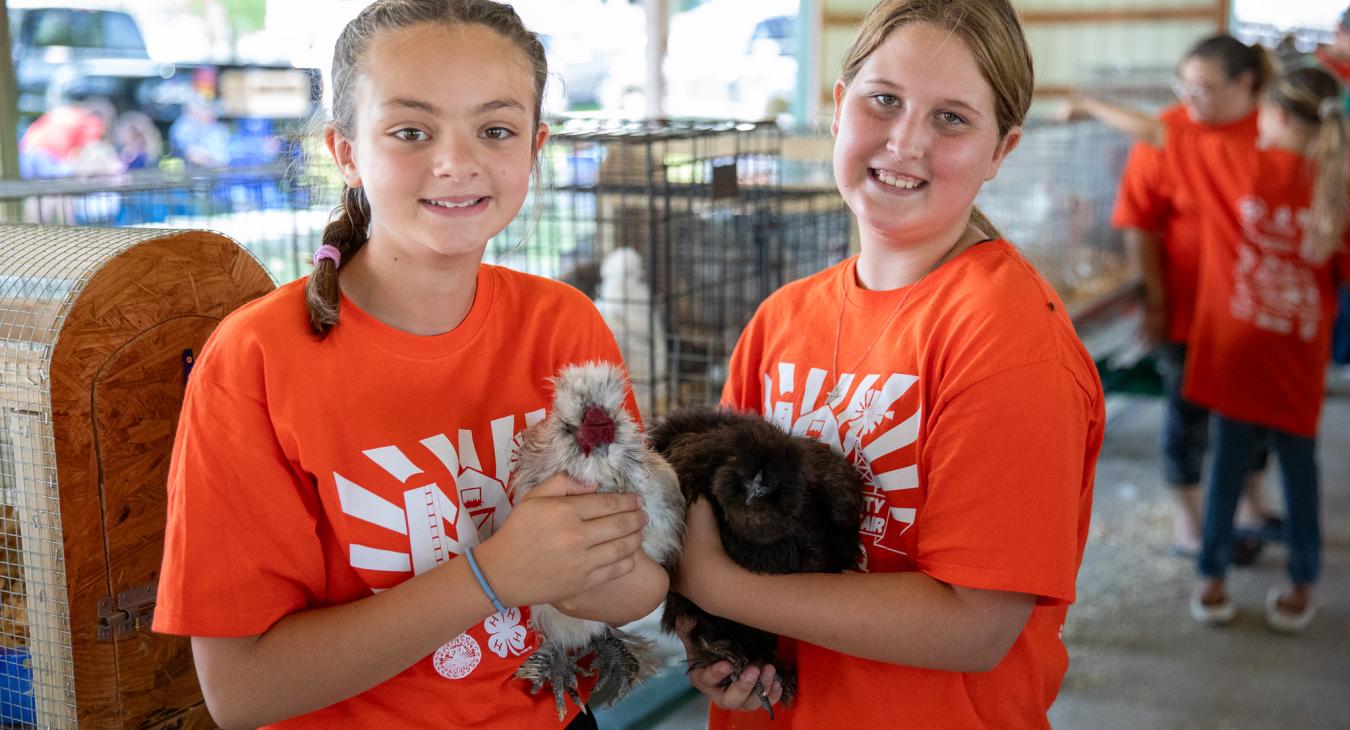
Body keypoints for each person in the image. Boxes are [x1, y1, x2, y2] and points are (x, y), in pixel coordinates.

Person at [151, 2, 666, 727]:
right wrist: (493, 577)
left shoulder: (563, 323)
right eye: (411, 131)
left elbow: (637, 580)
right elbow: (241, 692)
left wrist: (598, 570)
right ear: (346, 150)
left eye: (495, 130)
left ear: (534, 146)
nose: (456, 162)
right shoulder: (258, 360)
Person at [671, 1, 1105, 726]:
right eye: (885, 101)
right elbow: (708, 512)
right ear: (840, 109)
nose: (905, 143)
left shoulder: (1009, 345)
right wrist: (712, 646)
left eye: (951, 119)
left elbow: (975, 626)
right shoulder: (783, 319)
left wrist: (719, 590)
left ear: (1002, 150)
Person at [1087, 67, 1348, 633]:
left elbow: (1159, 135)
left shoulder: (1243, 164)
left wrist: (1089, 103)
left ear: (1274, 116)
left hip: (1236, 350)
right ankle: (1302, 585)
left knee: (1226, 463)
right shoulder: (1340, 182)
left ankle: (1211, 579)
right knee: (1301, 469)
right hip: (1298, 357)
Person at [1068, 36, 1278, 558]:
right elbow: (1138, 221)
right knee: (1186, 417)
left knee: (1255, 415)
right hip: (1189, 308)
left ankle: (1251, 508)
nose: (1189, 97)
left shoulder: (1274, 133)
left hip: (1256, 310)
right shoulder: (1172, 130)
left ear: (1245, 83)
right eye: (1182, 85)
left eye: (1203, 87)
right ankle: (1192, 524)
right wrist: (1157, 302)